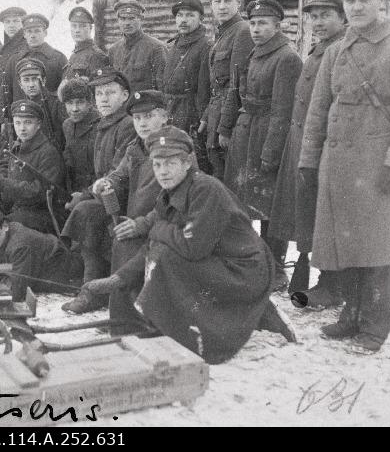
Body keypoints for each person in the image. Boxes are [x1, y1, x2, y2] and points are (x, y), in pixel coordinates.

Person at [299, 0, 390, 353]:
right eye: (351, 1)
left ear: (382, 1)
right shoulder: (337, 50)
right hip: (337, 166)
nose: (357, 8)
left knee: (375, 250)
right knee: (345, 245)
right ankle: (350, 318)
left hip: (378, 167)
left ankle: (374, 326)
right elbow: (318, 110)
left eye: (365, 0)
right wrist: (309, 160)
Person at [82, 126, 281, 364]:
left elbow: (191, 246)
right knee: (161, 248)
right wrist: (121, 278)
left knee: (168, 256)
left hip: (246, 271)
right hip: (223, 264)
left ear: (187, 164)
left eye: (170, 164)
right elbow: (157, 240)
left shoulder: (205, 189)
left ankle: (179, 333)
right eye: (157, 164)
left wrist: (155, 227)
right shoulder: (171, 191)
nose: (162, 172)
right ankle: (151, 323)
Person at [268, 0, 346, 300]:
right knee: (307, 214)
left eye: (326, 15)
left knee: (327, 216)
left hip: (326, 147)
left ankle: (332, 284)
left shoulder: (341, 50)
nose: (318, 22)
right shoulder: (318, 51)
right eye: (314, 16)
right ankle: (317, 278)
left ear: (342, 17)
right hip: (304, 144)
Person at [221, 0, 303, 291]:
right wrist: (226, 129)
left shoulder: (287, 58)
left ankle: (276, 268)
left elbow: (283, 110)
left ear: (277, 26)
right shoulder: (254, 53)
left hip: (267, 135)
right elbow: (237, 92)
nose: (255, 29)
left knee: (269, 204)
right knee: (243, 201)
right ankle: (251, 263)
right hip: (247, 133)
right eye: (253, 23)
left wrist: (271, 152)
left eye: (263, 23)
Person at [62, 90, 164, 315]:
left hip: (163, 225)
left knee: (124, 242)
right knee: (86, 212)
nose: (142, 124)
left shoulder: (173, 149)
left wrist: (141, 225)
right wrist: (105, 184)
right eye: (137, 118)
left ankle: (130, 311)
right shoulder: (136, 147)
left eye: (149, 117)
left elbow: (176, 203)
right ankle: (91, 291)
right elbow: (119, 176)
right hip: (135, 218)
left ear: (165, 117)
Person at [59, 68, 135, 312]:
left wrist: (86, 195)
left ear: (124, 95)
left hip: (126, 197)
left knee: (85, 212)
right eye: (99, 93)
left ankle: (91, 291)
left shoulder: (127, 125)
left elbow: (119, 173)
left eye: (110, 92)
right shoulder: (105, 124)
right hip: (107, 194)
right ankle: (90, 286)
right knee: (84, 211)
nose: (103, 98)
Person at [0, 201, 83, 302]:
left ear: (5, 226)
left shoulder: (20, 245)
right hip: (43, 275)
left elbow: (17, 294)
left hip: (71, 278)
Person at [0, 100, 65, 234]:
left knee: (2, 230)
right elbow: (9, 175)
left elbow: (40, 192)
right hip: (18, 209)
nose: (22, 128)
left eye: (28, 122)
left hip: (41, 213)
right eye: (17, 123)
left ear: (38, 125)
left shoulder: (47, 151)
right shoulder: (17, 146)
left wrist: (3, 184)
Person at [202, 0, 254, 180]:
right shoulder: (222, 33)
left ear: (238, 2)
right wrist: (207, 117)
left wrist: (224, 127)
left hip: (228, 119)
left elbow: (236, 85)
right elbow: (216, 83)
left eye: (227, 1)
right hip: (216, 113)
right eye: (217, 2)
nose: (222, 6)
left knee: (226, 176)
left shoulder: (242, 31)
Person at [163, 0, 212, 174]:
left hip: (191, 115)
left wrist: (200, 121)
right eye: (180, 15)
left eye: (190, 15)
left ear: (201, 19)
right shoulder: (176, 44)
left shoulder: (205, 46)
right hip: (171, 112)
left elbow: (204, 89)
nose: (183, 20)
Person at [5, 13, 68, 101]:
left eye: (37, 31)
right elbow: (6, 93)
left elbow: (65, 93)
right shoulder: (14, 59)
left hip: (49, 112)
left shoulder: (58, 58)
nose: (33, 35)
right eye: (29, 31)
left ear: (45, 33)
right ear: (24, 34)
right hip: (20, 112)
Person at [107, 0, 166, 92]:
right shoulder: (113, 50)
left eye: (132, 18)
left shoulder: (156, 48)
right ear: (118, 21)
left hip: (145, 104)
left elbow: (163, 86)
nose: (127, 23)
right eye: (123, 19)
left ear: (141, 19)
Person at [14, 56, 66, 151]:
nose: (31, 85)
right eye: (26, 80)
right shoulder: (21, 107)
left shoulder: (57, 104)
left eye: (35, 79)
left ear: (44, 80)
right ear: (20, 84)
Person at [0, 6, 28, 130]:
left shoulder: (26, 48)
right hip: (2, 109)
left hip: (19, 111)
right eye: (7, 22)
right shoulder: (2, 51)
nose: (11, 25)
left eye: (16, 21)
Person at [59, 77, 99, 193]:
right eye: (70, 103)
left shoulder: (99, 125)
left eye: (80, 102)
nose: (74, 109)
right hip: (75, 188)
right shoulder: (67, 125)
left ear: (89, 102)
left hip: (95, 190)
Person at [62, 6, 110, 82]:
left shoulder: (96, 56)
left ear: (90, 28)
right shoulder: (74, 55)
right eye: (74, 26)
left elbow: (97, 88)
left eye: (82, 26)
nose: (77, 30)